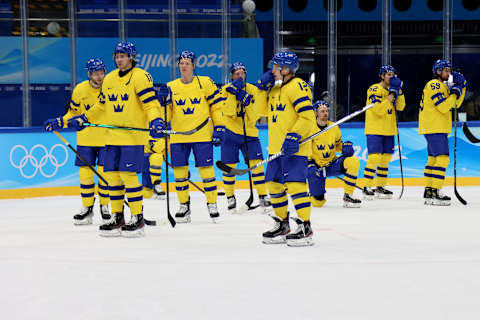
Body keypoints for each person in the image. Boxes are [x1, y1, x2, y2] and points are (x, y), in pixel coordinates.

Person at [67, 41, 164, 237]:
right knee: (112, 177)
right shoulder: (109, 79)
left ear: (131, 57)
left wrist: (156, 120)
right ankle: (117, 216)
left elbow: (150, 104)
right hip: (112, 136)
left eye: (123, 56)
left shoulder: (141, 76)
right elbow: (101, 106)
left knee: (128, 176)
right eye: (117, 56)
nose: (119, 59)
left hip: (132, 136)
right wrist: (83, 118)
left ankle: (137, 217)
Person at [255, 51, 316, 247]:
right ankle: (283, 225)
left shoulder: (298, 86)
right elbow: (256, 113)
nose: (272, 70)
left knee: (296, 186)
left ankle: (306, 228)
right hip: (276, 149)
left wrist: (295, 135)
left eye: (275, 66)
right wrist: (260, 89)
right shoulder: (274, 90)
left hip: (294, 148)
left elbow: (308, 117)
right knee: (273, 185)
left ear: (287, 69)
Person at [44, 58, 111, 225]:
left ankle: (105, 206)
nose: (99, 77)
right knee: (85, 175)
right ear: (89, 74)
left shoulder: (110, 87)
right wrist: (59, 122)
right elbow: (73, 113)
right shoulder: (80, 89)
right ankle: (87, 208)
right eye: (96, 73)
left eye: (102, 73)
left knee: (104, 175)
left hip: (107, 139)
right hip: (86, 140)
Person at [161, 50, 222, 223]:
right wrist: (163, 104)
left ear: (194, 66)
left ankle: (212, 203)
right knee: (179, 173)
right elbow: (167, 115)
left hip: (202, 135)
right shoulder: (171, 86)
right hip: (179, 137)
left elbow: (216, 108)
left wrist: (219, 128)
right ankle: (183, 206)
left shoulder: (205, 83)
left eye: (187, 62)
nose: (184, 65)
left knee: (207, 171)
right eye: (181, 62)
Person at [214, 62, 271, 213]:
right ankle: (230, 196)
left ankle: (262, 196)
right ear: (231, 75)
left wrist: (248, 102)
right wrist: (234, 95)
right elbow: (228, 113)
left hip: (250, 134)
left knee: (257, 165)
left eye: (242, 73)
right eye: (236, 73)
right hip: (230, 134)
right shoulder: (225, 90)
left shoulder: (253, 90)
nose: (240, 76)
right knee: (229, 167)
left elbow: (257, 115)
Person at [419, 59, 467, 205]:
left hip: (435, 127)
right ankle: (436, 191)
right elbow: (443, 106)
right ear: (438, 71)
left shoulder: (443, 86)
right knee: (442, 158)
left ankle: (429, 191)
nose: (448, 73)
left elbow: (456, 104)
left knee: (433, 159)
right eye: (445, 70)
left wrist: (461, 88)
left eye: (449, 70)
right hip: (435, 126)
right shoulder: (434, 84)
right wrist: (454, 93)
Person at [361, 65, 405, 199]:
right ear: (382, 76)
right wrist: (391, 96)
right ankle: (366, 186)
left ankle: (380, 187)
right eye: (388, 74)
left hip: (389, 129)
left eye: (393, 75)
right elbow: (378, 110)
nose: (391, 77)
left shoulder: (394, 90)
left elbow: (401, 107)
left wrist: (400, 92)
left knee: (385, 159)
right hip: (375, 129)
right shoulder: (374, 89)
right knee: (374, 158)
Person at [307, 100, 361, 208]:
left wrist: (345, 147)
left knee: (353, 162)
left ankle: (348, 196)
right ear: (316, 113)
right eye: (322, 111)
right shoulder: (309, 128)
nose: (325, 113)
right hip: (316, 168)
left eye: (326, 111)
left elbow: (338, 145)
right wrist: (310, 164)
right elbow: (305, 150)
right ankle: (312, 195)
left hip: (332, 164)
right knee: (318, 203)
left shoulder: (334, 127)